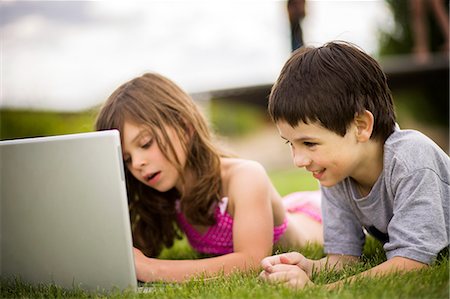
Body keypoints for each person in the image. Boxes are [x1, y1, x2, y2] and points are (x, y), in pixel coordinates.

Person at [95, 73, 323, 283]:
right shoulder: (164, 193)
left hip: (315, 217)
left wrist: (152, 268)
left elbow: (251, 261)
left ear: (185, 128)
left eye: (146, 143)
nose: (137, 163)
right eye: (126, 158)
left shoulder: (244, 177)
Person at [259, 41, 450, 289]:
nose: (299, 160)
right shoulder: (336, 172)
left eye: (309, 143)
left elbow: (413, 263)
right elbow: (345, 258)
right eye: (291, 144)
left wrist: (320, 290)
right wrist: (309, 267)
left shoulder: (411, 159)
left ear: (361, 126)